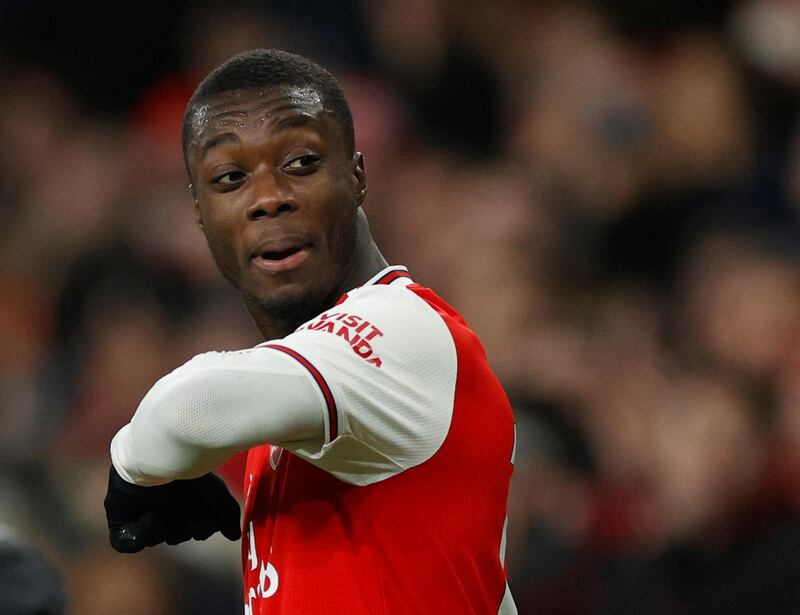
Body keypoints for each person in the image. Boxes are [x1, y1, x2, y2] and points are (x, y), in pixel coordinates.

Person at [104, 48, 517, 614]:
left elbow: (188, 409)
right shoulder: (292, 406)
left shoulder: (403, 332)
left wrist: (133, 470)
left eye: (300, 163)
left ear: (357, 176)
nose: (268, 198)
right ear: (200, 215)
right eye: (230, 178)